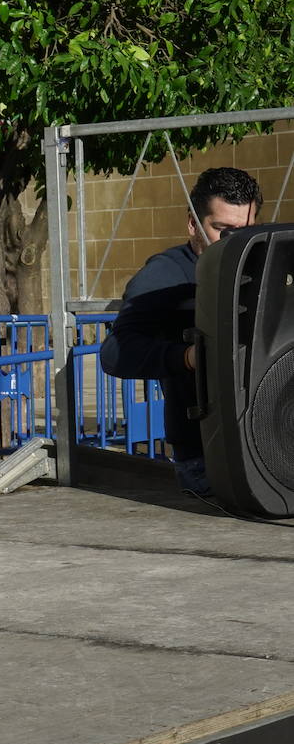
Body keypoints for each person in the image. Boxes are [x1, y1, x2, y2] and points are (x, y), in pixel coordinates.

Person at [100, 166, 262, 496]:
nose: (235, 243)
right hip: (207, 457)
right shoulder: (165, 274)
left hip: (270, 440)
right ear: (193, 223)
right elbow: (115, 353)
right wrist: (188, 357)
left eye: (245, 231)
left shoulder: (264, 263)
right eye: (222, 230)